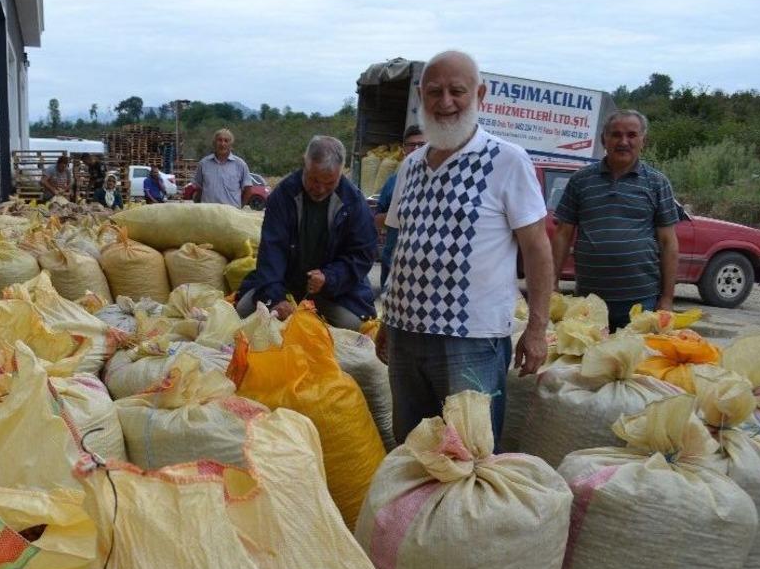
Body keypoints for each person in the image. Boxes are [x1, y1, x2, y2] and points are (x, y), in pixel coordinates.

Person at [376, 50, 553, 446]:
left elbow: (538, 250)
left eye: (457, 91)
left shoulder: (507, 160)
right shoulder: (410, 166)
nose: (445, 102)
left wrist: (537, 328)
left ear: (480, 95)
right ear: (421, 96)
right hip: (406, 336)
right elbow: (399, 246)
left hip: (470, 340)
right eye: (434, 92)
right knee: (412, 450)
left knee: (470, 451)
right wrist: (388, 317)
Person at [551, 109, 679, 331]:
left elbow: (668, 242)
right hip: (589, 300)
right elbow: (563, 234)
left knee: (635, 363)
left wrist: (667, 298)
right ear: (604, 139)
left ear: (643, 141)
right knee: (586, 361)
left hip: (642, 300)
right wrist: (551, 285)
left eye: (631, 135)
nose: (623, 141)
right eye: (616, 134)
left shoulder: (658, 183)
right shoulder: (581, 180)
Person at [235, 135, 377, 331]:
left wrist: (329, 278)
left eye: (330, 183)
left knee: (355, 325)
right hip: (287, 283)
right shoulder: (284, 195)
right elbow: (272, 251)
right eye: (314, 180)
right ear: (305, 163)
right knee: (243, 310)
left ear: (341, 172)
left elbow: (362, 255)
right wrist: (276, 298)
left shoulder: (353, 202)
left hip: (334, 291)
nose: (320, 189)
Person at [375, 126, 427, 290]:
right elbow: (377, 219)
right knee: (386, 310)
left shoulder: (440, 182)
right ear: (404, 149)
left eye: (421, 144)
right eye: (411, 145)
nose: (416, 149)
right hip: (392, 260)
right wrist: (400, 211)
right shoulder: (392, 182)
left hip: (425, 265)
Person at [191, 128, 253, 207]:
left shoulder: (240, 164)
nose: (222, 144)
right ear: (214, 143)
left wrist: (239, 208)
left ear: (231, 144)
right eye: (219, 140)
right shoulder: (203, 163)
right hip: (209, 214)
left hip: (231, 215)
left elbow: (248, 190)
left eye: (226, 141)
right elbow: (199, 188)